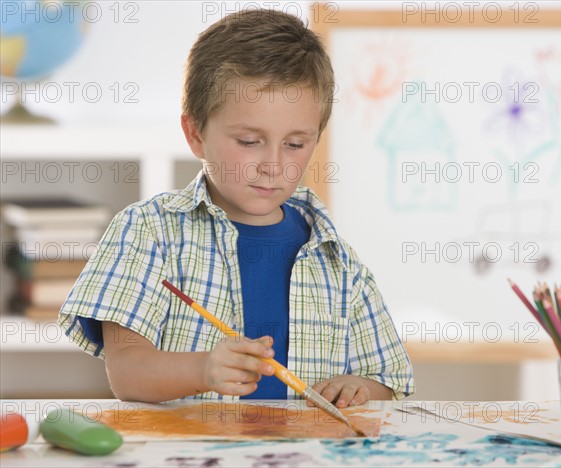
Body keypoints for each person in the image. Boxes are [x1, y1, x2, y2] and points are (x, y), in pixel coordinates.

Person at [58, 8, 414, 406]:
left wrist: (358, 389)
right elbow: (127, 372)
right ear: (195, 134)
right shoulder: (148, 232)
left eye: (295, 144)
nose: (273, 165)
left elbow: (388, 380)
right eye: (249, 141)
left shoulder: (337, 260)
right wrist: (203, 370)